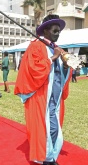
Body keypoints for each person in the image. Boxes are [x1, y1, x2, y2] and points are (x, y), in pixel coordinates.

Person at [14, 14, 71, 165]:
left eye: (59, 31)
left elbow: (60, 74)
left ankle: (50, 156)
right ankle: (46, 159)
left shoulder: (56, 48)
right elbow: (34, 69)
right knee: (44, 128)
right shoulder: (36, 46)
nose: (58, 34)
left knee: (54, 127)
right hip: (40, 95)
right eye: (55, 31)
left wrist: (65, 65)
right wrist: (53, 58)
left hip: (54, 97)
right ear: (45, 30)